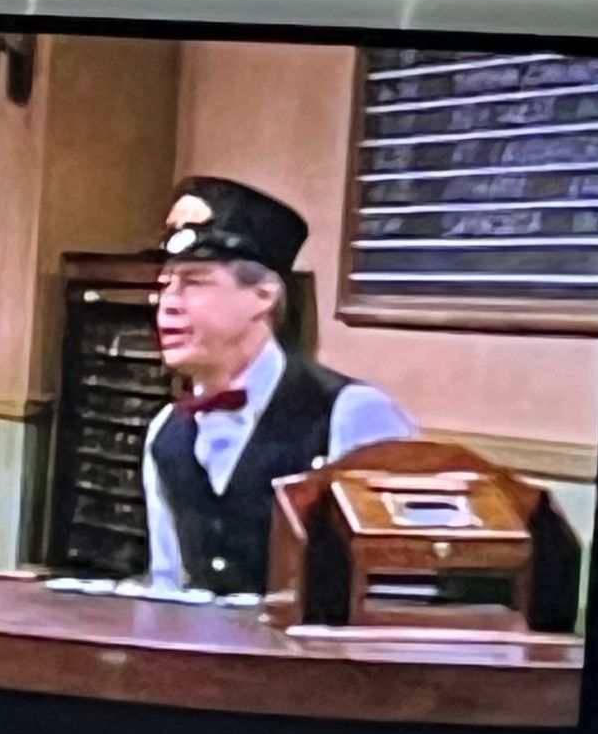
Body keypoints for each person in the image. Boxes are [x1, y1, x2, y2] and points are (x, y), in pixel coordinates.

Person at [142, 176, 414, 598]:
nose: (168, 304)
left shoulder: (350, 414)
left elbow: (402, 589)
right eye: (164, 287)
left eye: (194, 282)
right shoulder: (166, 432)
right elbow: (169, 588)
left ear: (263, 295)